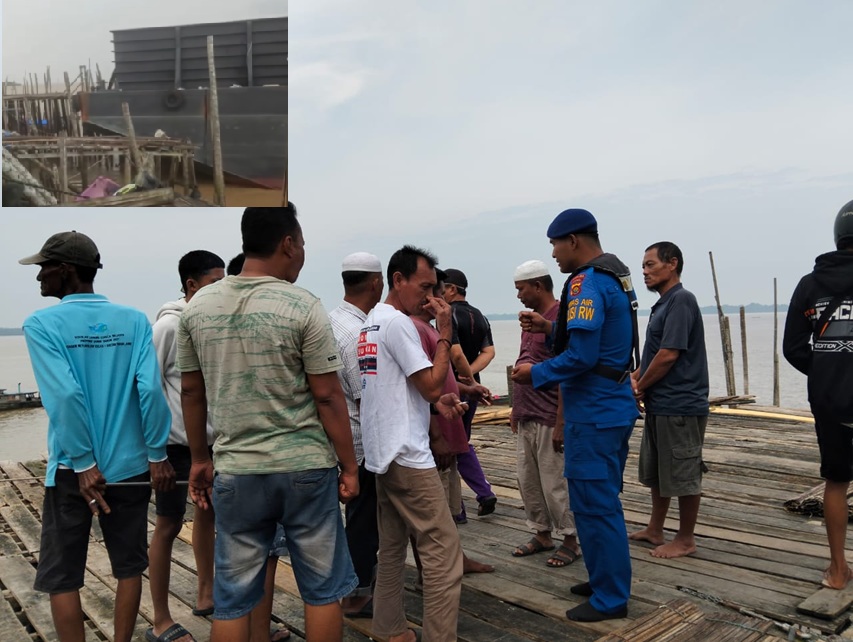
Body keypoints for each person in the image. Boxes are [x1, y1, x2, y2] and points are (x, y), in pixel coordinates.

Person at [178, 206, 360, 642]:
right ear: (287, 243)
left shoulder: (198, 307)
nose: (302, 253)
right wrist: (350, 466)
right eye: (301, 243)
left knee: (234, 598)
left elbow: (192, 392)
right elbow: (328, 394)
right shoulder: (304, 305)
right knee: (320, 592)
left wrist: (200, 459)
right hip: (305, 470)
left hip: (237, 470)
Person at [20, 231, 174, 642]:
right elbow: (150, 389)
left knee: (62, 575)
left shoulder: (41, 324)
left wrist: (85, 463)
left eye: (44, 268)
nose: (38, 278)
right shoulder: (134, 320)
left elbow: (65, 395)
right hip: (130, 466)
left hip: (74, 469)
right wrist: (157, 452)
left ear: (65, 271)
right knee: (128, 567)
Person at [512, 208, 639, 622]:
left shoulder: (586, 283)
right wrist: (549, 330)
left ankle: (611, 598)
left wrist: (536, 374)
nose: (553, 255)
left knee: (597, 505)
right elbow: (599, 343)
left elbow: (583, 356)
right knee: (594, 504)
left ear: (573, 241)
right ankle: (604, 578)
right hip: (612, 405)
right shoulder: (614, 276)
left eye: (554, 245)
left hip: (594, 412)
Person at [359, 245, 467, 642]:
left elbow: (398, 388)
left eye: (434, 288)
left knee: (391, 548)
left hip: (381, 454)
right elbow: (430, 383)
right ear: (397, 280)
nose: (429, 297)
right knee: (444, 553)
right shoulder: (399, 324)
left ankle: (389, 629)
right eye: (423, 287)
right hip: (407, 455)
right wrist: (444, 335)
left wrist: (438, 404)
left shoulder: (372, 322)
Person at [148, 251, 224, 642]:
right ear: (191, 285)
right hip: (175, 446)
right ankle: (160, 616)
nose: (222, 289)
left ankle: (206, 591)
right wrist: (154, 454)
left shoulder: (212, 324)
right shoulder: (167, 327)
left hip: (213, 442)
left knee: (209, 516)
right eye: (215, 283)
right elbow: (146, 388)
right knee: (168, 524)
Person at [784, 199, 853, 590]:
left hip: (829, 401)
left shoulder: (810, 284)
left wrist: (829, 371)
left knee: (836, 481)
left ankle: (839, 570)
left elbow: (793, 347)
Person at [224, 249, 291, 642]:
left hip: (230, 459)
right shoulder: (277, 322)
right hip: (276, 458)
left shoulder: (208, 324)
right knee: (266, 559)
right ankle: (261, 634)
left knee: (236, 567)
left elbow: (193, 393)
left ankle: (255, 632)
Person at [628, 242, 709, 560]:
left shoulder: (681, 300)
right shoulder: (663, 305)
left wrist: (640, 387)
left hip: (681, 405)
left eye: (650, 265)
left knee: (685, 473)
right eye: (643, 266)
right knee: (659, 471)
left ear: (672, 264)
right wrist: (635, 377)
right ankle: (655, 528)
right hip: (661, 404)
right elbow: (652, 356)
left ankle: (686, 538)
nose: (645, 272)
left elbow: (669, 355)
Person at [411, 270, 495, 577]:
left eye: (439, 290)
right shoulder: (421, 329)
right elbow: (424, 384)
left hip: (453, 413)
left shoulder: (437, 327)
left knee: (449, 495)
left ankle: (453, 557)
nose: (437, 299)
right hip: (438, 425)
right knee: (435, 505)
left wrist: (466, 384)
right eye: (430, 290)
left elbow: (450, 364)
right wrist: (472, 377)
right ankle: (434, 570)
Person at [510, 260, 580, 568]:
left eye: (521, 289)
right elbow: (526, 358)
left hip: (549, 413)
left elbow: (568, 370)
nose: (518, 296)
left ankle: (570, 539)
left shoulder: (559, 318)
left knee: (555, 483)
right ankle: (541, 533)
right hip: (527, 412)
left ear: (538, 286)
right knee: (529, 480)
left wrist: (561, 421)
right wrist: (516, 408)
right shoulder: (531, 320)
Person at [328, 252, 385, 617]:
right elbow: (368, 398)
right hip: (360, 443)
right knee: (364, 521)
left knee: (352, 520)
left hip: (334, 438)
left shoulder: (331, 321)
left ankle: (350, 585)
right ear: (377, 283)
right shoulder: (358, 334)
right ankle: (357, 593)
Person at [442, 268, 498, 520]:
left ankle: (459, 509)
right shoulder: (480, 315)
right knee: (462, 442)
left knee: (451, 445)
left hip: (453, 390)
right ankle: (481, 493)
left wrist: (463, 378)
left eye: (441, 288)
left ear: (452, 289)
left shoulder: (448, 314)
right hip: (472, 390)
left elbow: (454, 353)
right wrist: (473, 378)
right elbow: (489, 352)